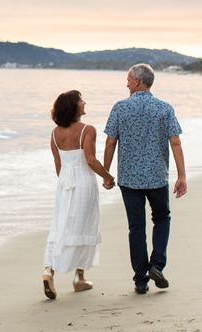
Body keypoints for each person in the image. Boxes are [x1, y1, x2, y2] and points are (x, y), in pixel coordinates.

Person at [103, 64, 186, 294]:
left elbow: (110, 142)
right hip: (157, 177)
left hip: (129, 180)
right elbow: (175, 142)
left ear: (138, 81)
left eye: (129, 79)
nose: (126, 83)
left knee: (136, 227)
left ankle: (140, 280)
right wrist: (181, 175)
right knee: (161, 219)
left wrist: (107, 173)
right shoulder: (164, 108)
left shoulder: (120, 108)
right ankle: (157, 265)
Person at [43, 90, 116, 300]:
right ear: (74, 107)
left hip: (64, 185)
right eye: (81, 100)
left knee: (60, 225)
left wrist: (65, 183)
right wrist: (108, 177)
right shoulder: (87, 130)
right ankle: (79, 277)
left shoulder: (54, 133)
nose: (84, 103)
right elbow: (91, 161)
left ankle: (49, 271)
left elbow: (58, 165)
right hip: (84, 183)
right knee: (84, 226)